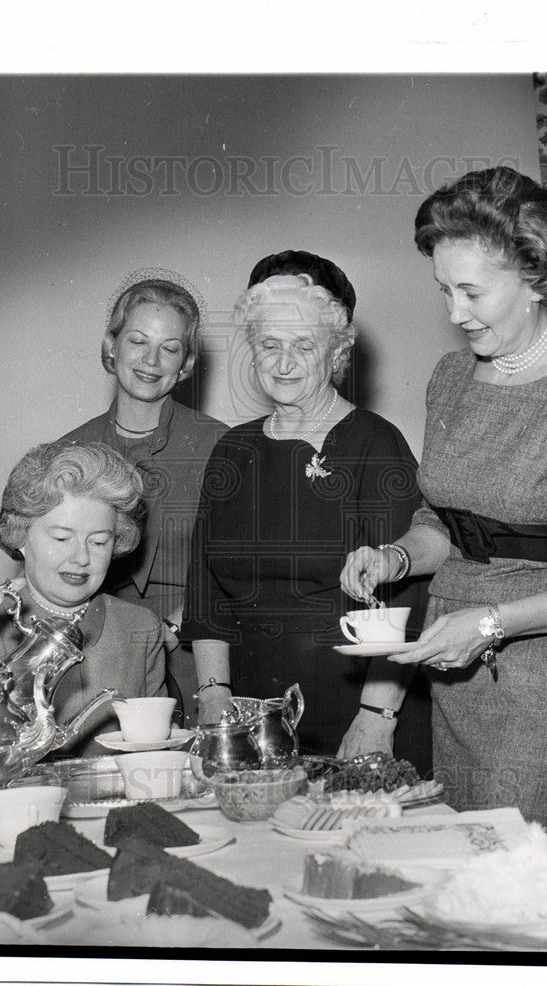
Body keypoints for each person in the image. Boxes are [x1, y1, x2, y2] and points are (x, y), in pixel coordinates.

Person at [340, 166, 547, 878]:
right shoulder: (451, 378)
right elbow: (447, 519)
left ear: (536, 275)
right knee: (453, 874)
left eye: (471, 292)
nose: (454, 312)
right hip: (450, 663)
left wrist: (490, 624)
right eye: (443, 290)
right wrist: (396, 558)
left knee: (517, 881)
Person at [181, 254, 426, 756]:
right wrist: (213, 695)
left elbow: (408, 597)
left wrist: (377, 716)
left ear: (336, 353)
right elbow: (205, 590)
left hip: (354, 702)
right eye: (269, 345)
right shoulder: (234, 450)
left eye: (303, 346)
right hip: (248, 707)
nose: (284, 363)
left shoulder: (375, 443)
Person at [0, 440, 167, 756]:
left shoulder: (139, 627)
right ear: (21, 537)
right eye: (61, 538)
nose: (81, 558)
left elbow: (155, 747)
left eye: (98, 542)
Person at [59, 268, 227, 722]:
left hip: (201, 653)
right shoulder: (68, 453)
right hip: (95, 660)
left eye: (170, 348)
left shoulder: (223, 445)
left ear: (186, 364)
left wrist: (171, 629)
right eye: (138, 341)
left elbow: (236, 566)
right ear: (111, 347)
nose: (152, 360)